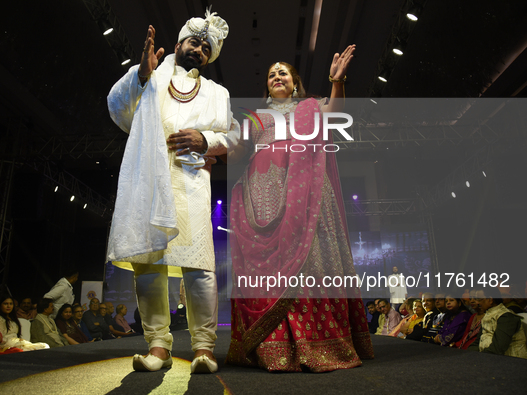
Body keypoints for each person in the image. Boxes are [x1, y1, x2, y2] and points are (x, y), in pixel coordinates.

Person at [106, 8, 238, 374]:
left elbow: (234, 135)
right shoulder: (151, 77)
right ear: (179, 43)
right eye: (194, 41)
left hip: (191, 183)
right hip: (149, 180)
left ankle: (203, 348)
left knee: (199, 266)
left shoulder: (217, 92)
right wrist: (142, 73)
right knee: (147, 263)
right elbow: (118, 109)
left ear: (210, 56)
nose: (199, 49)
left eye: (206, 47)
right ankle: (158, 347)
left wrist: (206, 139)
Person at [226, 50, 374, 372]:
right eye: (271, 75)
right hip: (262, 193)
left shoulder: (311, 108)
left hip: (307, 194)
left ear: (295, 83)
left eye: (283, 73)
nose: (277, 77)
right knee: (270, 266)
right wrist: (223, 139)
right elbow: (237, 154)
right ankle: (270, 346)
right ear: (267, 86)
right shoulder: (254, 117)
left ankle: (315, 341)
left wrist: (337, 80)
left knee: (311, 260)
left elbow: (335, 112)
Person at [468, 287, 527, 358]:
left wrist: (478, 357)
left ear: (490, 300)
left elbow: (498, 348)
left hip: (510, 362)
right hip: (488, 358)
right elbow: (477, 342)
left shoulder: (507, 317)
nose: (477, 302)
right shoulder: (487, 315)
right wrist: (469, 354)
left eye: (479, 299)